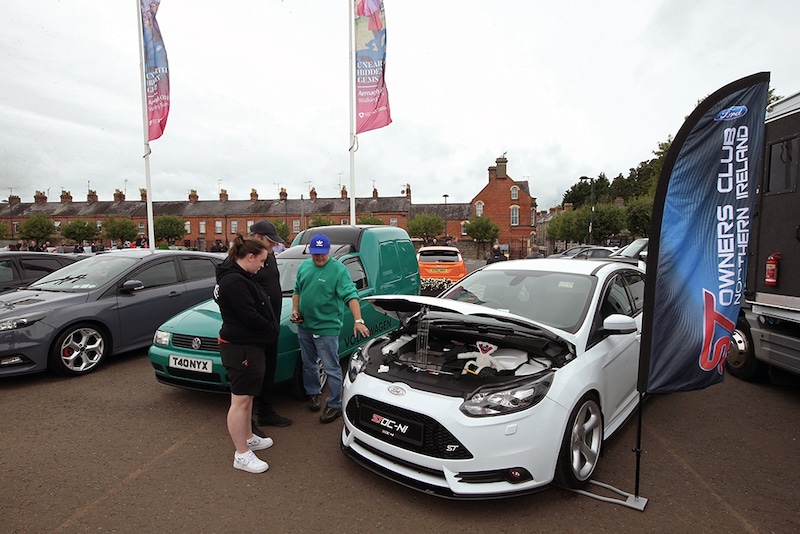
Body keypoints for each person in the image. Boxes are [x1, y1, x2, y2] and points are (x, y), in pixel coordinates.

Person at [213, 234, 280, 473]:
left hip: (247, 344)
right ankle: (241, 454)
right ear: (249, 257)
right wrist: (271, 329)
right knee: (239, 401)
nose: (262, 266)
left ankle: (249, 436)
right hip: (240, 346)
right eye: (261, 261)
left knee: (248, 396)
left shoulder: (239, 277)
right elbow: (249, 316)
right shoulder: (234, 282)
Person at [291, 233, 370, 424]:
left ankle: (335, 404)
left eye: (322, 254)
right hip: (305, 326)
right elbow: (297, 290)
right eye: (315, 254)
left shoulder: (338, 270)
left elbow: (351, 296)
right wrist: (295, 310)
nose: (319, 258)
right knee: (308, 364)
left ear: (328, 252)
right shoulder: (304, 266)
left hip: (327, 329)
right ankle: (313, 393)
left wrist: (358, 319)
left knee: (331, 368)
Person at [249, 220, 292, 428]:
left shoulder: (270, 257)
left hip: (271, 325)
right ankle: (247, 422)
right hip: (256, 329)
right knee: (253, 375)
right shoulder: (246, 261)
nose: (274, 246)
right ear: (256, 237)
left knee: (268, 371)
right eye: (270, 241)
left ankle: (265, 412)